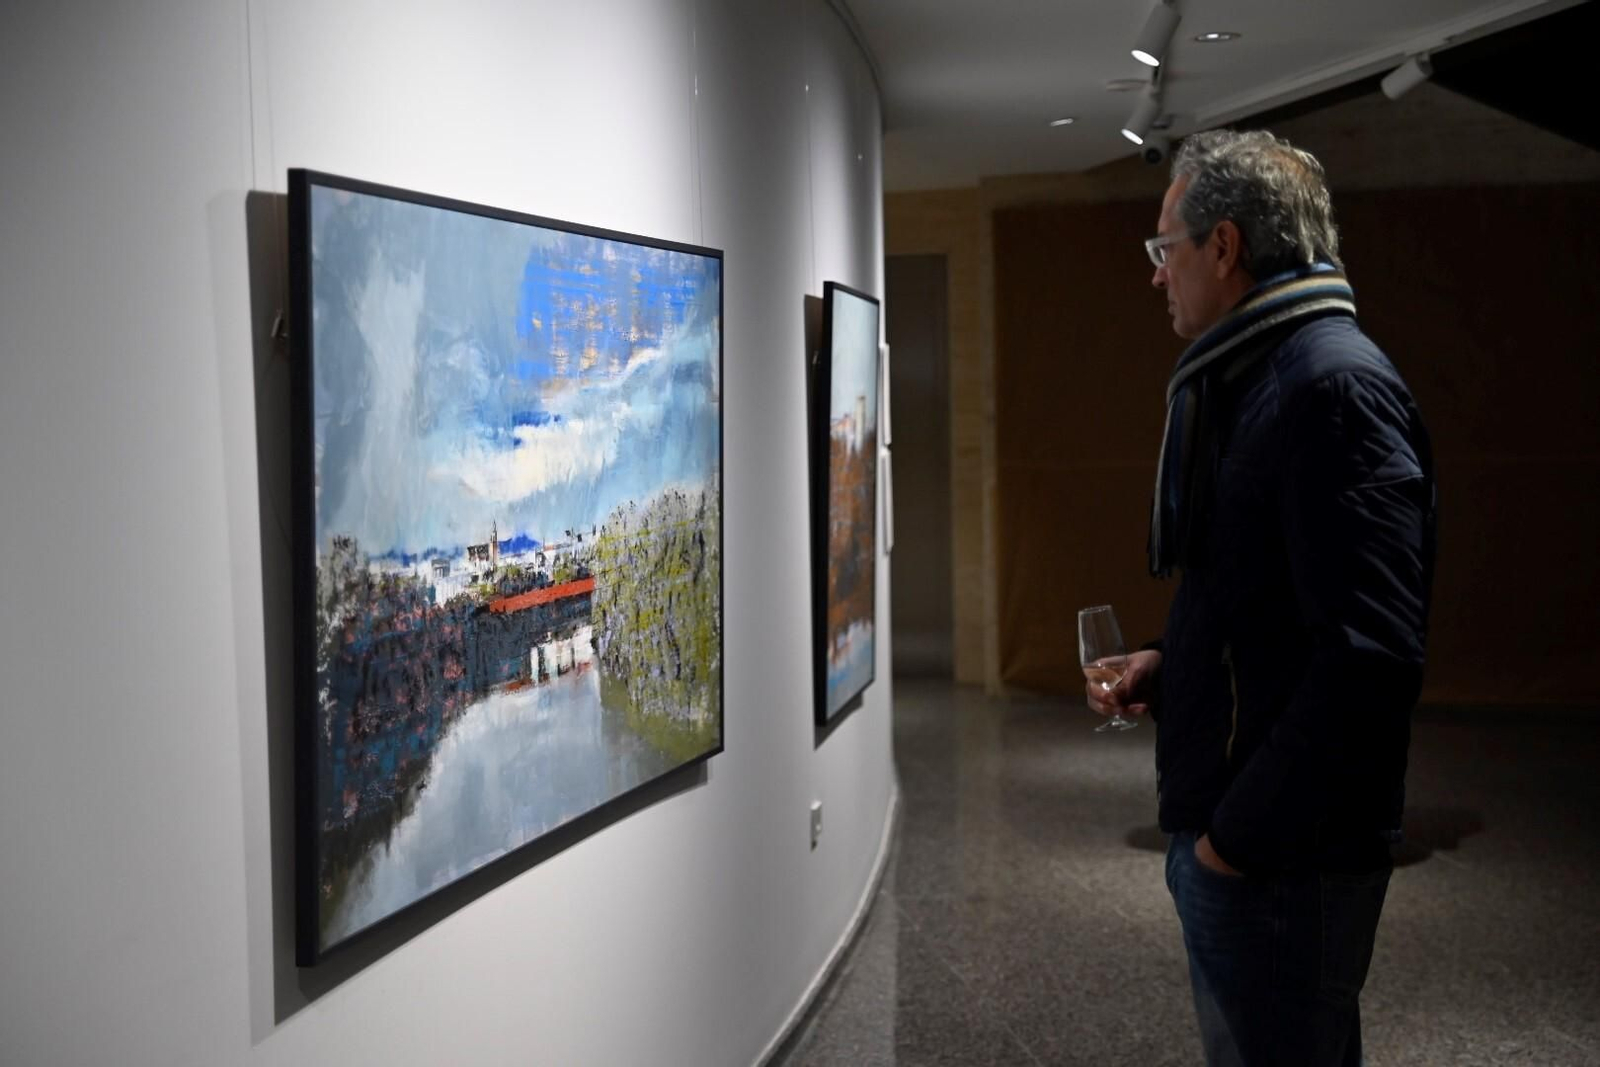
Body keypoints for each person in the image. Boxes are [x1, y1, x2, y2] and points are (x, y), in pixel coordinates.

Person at [1086, 129, 1436, 1066]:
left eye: (1168, 249)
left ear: (1226, 247)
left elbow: (1370, 658)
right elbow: (1270, 600)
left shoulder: (1330, 388)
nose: (1158, 275)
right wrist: (1175, 664)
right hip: (1260, 842)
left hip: (1284, 860)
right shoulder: (1266, 377)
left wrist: (1231, 845)